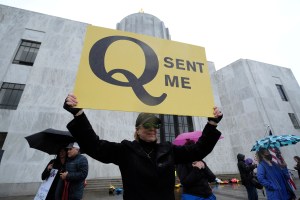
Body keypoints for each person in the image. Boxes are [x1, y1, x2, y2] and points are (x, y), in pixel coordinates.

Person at [63, 93, 223, 200]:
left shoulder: (168, 150)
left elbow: (199, 149)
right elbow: (95, 146)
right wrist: (78, 115)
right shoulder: (125, 150)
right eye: (147, 125)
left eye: (155, 125)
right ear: (137, 130)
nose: (152, 129)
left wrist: (212, 123)